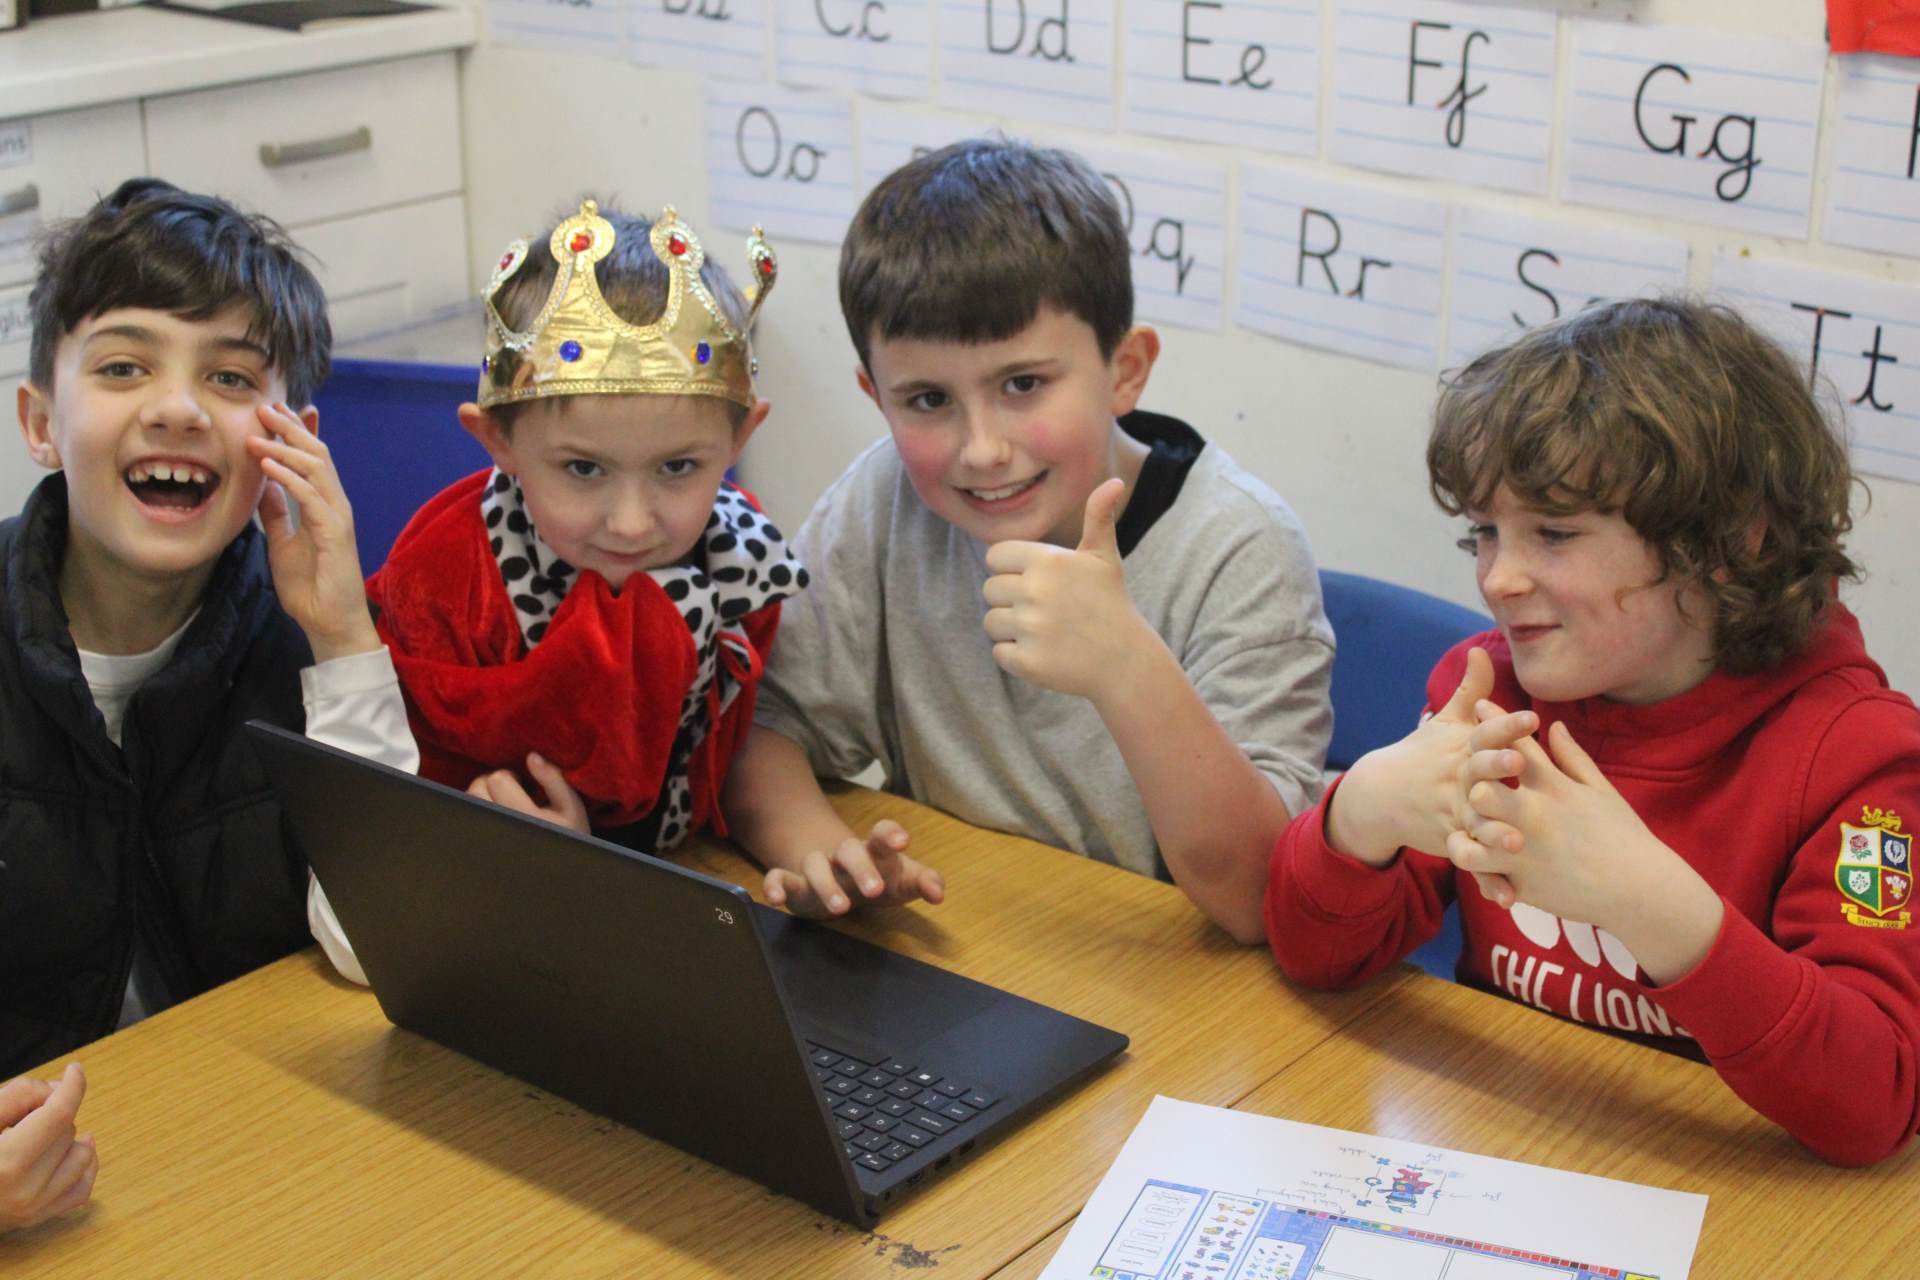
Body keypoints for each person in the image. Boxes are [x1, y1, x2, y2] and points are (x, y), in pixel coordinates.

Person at [1265, 297, 1920, 1166]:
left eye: (1555, 533)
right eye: (1485, 532)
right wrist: (1359, 817)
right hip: (1509, 1142)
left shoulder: (1862, 761)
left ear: (1734, 539)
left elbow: (1874, 1102)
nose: (1499, 578)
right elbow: (1317, 955)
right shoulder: (1486, 693)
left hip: (1724, 1185)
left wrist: (1652, 904)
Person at [722, 139, 1333, 942]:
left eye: (1023, 384)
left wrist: (1125, 666)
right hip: (977, 942)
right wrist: (828, 862)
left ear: (1125, 369)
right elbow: (760, 731)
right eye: (928, 400)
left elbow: (1258, 897)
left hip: (1175, 981)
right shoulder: (884, 498)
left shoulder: (1240, 548)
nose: (982, 449)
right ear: (876, 396)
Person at [1, 178, 416, 1227]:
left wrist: (344, 641)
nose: (179, 408)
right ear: (41, 422)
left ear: (291, 440)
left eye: (231, 377)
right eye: (123, 366)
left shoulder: (308, 643)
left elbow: (376, 953)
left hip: (235, 1154)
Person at [357, 197, 802, 883]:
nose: (630, 523)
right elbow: (389, 806)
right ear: (498, 440)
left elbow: (741, 750)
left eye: (677, 468)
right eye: (584, 469)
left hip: (691, 880)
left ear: (740, 438)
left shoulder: (743, 559)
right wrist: (560, 857)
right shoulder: (444, 581)